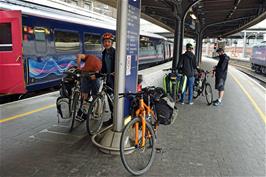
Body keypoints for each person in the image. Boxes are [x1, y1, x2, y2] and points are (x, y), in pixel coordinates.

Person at [76, 54, 102, 120]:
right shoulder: (96, 59)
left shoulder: (88, 56)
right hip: (95, 74)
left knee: (85, 94)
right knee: (95, 95)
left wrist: (78, 66)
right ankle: (96, 114)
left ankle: (83, 113)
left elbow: (79, 55)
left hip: (86, 73)